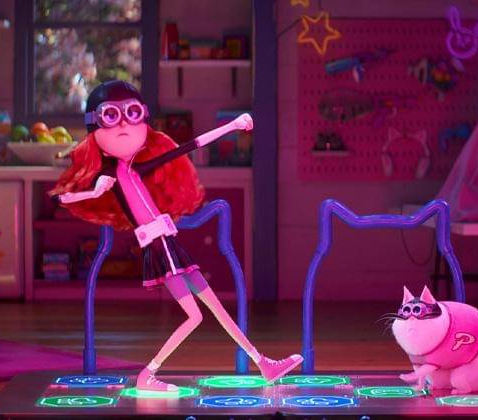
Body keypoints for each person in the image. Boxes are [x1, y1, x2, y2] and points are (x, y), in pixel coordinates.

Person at [50, 80, 302, 392]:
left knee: (215, 307)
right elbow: (73, 196)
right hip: (159, 248)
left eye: (132, 114)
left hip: (170, 243)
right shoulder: (111, 174)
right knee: (194, 317)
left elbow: (192, 145)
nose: (125, 125)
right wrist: (79, 194)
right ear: (95, 127)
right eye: (112, 116)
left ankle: (262, 362)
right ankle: (148, 375)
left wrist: (232, 126)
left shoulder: (138, 168)